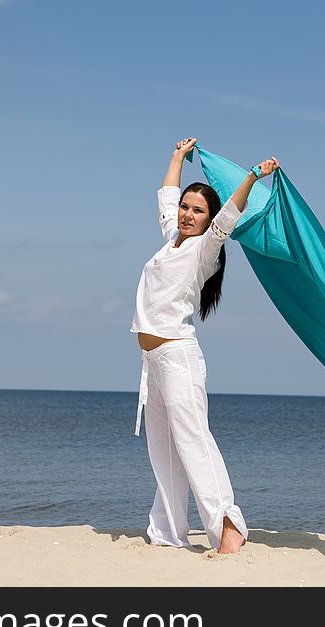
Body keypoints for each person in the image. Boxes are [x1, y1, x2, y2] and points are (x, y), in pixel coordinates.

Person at [130, 137, 279, 554]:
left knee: (194, 441)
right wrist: (177, 157)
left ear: (207, 218)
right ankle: (168, 532)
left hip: (179, 357)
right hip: (153, 360)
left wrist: (251, 176)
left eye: (197, 210)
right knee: (164, 452)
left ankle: (228, 525)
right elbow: (165, 198)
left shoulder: (203, 250)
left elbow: (228, 218)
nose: (186, 214)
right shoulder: (170, 241)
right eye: (186, 207)